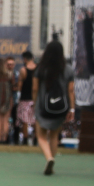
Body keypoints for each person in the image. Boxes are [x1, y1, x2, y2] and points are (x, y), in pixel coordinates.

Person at [32, 41, 75, 175]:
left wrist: (35, 103)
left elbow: (34, 88)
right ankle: (52, 160)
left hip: (42, 106)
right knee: (54, 135)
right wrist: (72, 109)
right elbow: (71, 90)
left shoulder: (40, 68)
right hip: (60, 108)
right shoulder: (68, 69)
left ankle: (49, 157)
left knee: (41, 136)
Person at [16, 51, 37, 145]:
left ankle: (25, 140)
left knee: (25, 120)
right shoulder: (38, 69)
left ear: (24, 59)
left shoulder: (23, 70)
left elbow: (20, 86)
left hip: (25, 98)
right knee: (35, 120)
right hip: (36, 98)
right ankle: (36, 139)